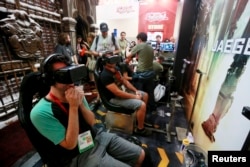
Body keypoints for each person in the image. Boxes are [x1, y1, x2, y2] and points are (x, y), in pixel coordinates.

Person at [30, 53, 146, 167]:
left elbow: (91, 122)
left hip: (94, 137)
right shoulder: (40, 112)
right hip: (76, 155)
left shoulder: (76, 93)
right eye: (63, 75)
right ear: (50, 80)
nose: (70, 80)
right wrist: (73, 107)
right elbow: (70, 144)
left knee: (140, 155)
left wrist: (79, 103)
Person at [100, 51, 152, 136]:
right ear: (105, 61)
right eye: (111, 59)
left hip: (122, 92)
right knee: (141, 105)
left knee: (145, 95)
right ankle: (140, 129)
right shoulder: (105, 75)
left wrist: (136, 91)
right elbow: (117, 93)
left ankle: (140, 121)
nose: (114, 61)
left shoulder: (116, 69)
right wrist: (135, 97)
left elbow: (125, 81)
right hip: (114, 99)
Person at [126, 32, 156, 113]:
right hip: (150, 73)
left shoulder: (139, 45)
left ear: (139, 39)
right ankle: (151, 110)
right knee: (150, 92)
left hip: (141, 73)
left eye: (137, 39)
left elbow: (128, 56)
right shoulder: (150, 47)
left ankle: (140, 110)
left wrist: (128, 49)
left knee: (139, 92)